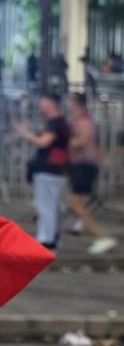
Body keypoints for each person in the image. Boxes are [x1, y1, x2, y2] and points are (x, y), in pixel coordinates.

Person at [14, 93, 71, 249]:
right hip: (57, 170)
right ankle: (53, 238)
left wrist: (24, 133)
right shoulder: (60, 123)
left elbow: (43, 142)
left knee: (46, 206)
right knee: (55, 206)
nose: (39, 105)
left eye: (42, 101)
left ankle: (46, 239)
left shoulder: (55, 123)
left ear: (51, 103)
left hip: (49, 170)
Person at [63, 91, 116, 255]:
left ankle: (102, 237)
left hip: (85, 165)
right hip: (82, 165)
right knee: (75, 205)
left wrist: (64, 144)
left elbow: (83, 140)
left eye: (69, 100)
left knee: (74, 204)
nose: (66, 103)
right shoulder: (78, 120)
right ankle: (84, 229)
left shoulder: (84, 120)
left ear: (75, 102)